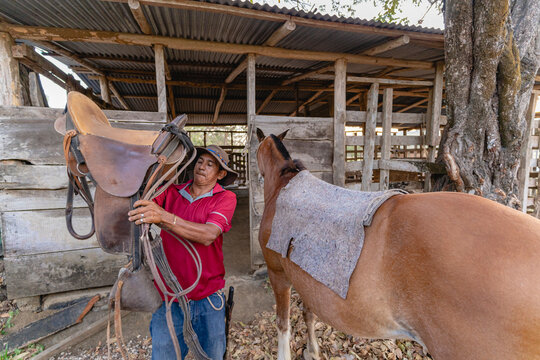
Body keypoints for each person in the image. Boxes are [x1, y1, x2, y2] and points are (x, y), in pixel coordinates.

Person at [128, 145, 238, 359]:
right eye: (199, 161)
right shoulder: (171, 192)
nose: (202, 167)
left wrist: (165, 218)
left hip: (208, 298)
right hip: (170, 297)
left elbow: (208, 234)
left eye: (210, 164)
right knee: (163, 356)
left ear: (221, 174)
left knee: (213, 356)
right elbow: (141, 205)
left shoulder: (225, 198)